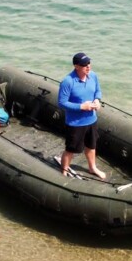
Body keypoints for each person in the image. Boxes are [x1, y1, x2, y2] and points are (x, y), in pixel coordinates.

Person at [58, 52, 106, 180]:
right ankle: (64, 172)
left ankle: (92, 167)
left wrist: (97, 100)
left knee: (92, 145)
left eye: (89, 63)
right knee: (71, 149)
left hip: (91, 120)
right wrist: (81, 107)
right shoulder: (68, 81)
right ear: (76, 66)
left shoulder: (93, 76)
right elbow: (62, 103)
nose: (88, 66)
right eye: (84, 64)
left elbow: (98, 91)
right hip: (75, 123)